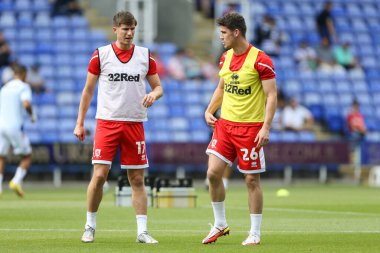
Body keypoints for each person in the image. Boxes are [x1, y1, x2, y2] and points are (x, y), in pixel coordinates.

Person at [73, 11, 163, 244]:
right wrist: (80, 122)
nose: (129, 33)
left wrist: (153, 94)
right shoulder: (101, 55)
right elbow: (88, 91)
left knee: (137, 179)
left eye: (132, 28)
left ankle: (142, 231)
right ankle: (89, 225)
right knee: (100, 175)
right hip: (107, 122)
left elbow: (158, 87)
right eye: (125, 28)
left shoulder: (145, 56)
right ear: (115, 30)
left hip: (134, 123)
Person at [203, 13, 277, 246]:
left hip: (250, 128)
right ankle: (220, 224)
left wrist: (266, 127)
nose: (221, 37)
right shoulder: (225, 59)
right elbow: (221, 87)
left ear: (236, 32)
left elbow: (272, 95)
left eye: (224, 33)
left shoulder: (261, 60)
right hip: (225, 125)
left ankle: (254, 232)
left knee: (251, 181)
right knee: (213, 173)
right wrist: (209, 110)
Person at [0, 64, 36, 197]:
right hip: (13, 127)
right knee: (27, 156)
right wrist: (32, 115)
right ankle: (16, 181)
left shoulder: (4, 87)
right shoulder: (23, 86)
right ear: (24, 74)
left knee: (1, 156)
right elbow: (26, 103)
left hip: (1, 126)